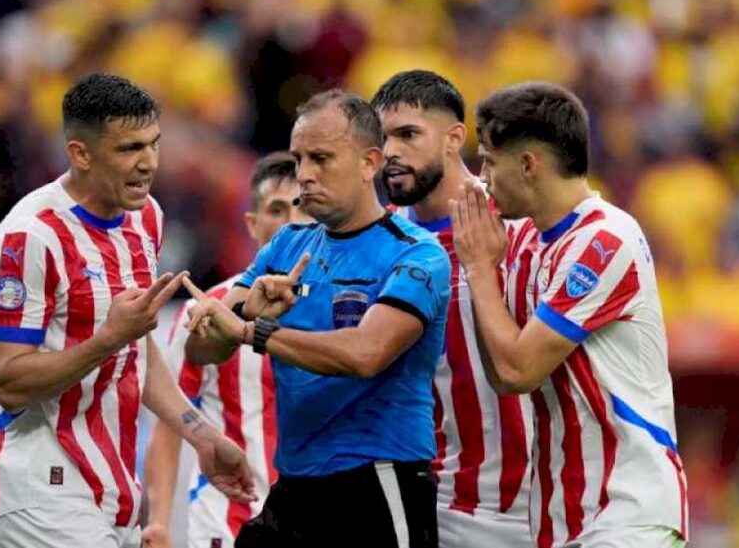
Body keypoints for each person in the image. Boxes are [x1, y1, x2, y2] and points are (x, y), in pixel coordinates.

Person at [0, 72, 254, 548]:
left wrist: (200, 434)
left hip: (115, 488)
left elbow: (137, 349)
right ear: (80, 153)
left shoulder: (147, 218)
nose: (148, 163)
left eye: (153, 144)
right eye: (128, 149)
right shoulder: (29, 238)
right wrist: (107, 338)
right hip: (44, 486)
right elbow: (9, 380)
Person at [181, 89, 451, 548]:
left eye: (321, 159)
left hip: (378, 485)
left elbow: (366, 354)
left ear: (370, 163)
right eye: (299, 159)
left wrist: (254, 330)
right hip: (295, 484)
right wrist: (225, 321)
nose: (304, 175)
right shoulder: (286, 246)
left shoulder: (416, 253)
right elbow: (203, 349)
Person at [450, 81, 688, 548]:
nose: (484, 177)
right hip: (560, 521)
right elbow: (504, 370)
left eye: (491, 163)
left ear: (527, 165)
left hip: (626, 514)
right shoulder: (531, 243)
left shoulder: (605, 240)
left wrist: (480, 269)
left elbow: (518, 368)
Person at [370, 70, 532, 548]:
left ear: (454, 138)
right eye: (382, 139)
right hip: (430, 502)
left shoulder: (517, 224)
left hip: (532, 505)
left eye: (408, 134)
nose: (391, 152)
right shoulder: (379, 243)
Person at [142, 152, 310, 548]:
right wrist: (160, 522)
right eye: (277, 209)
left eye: (301, 207)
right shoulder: (207, 306)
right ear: (252, 225)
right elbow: (169, 422)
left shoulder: (345, 305)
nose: (291, 221)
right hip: (231, 522)